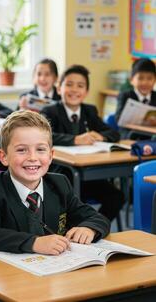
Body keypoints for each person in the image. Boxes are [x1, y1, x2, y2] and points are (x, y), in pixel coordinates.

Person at [0, 110, 110, 302]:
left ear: (51, 155)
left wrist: (90, 228)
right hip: (6, 285)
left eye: (40, 149)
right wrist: (34, 242)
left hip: (54, 282)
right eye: (22, 150)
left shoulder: (59, 184)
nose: (33, 157)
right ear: (3, 156)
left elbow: (95, 217)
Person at [41, 65, 124, 222]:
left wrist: (100, 136)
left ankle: (94, 225)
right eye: (69, 84)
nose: (74, 90)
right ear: (59, 88)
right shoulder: (50, 111)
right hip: (62, 174)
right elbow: (45, 136)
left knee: (117, 196)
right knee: (71, 200)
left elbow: (114, 133)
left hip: (89, 174)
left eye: (80, 86)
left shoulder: (89, 111)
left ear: (86, 92)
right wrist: (74, 140)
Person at [115, 57, 156, 139]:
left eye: (149, 78)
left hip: (150, 133)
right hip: (129, 133)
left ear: (155, 80)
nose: (145, 82)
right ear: (131, 80)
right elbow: (118, 118)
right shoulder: (125, 95)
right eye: (140, 78)